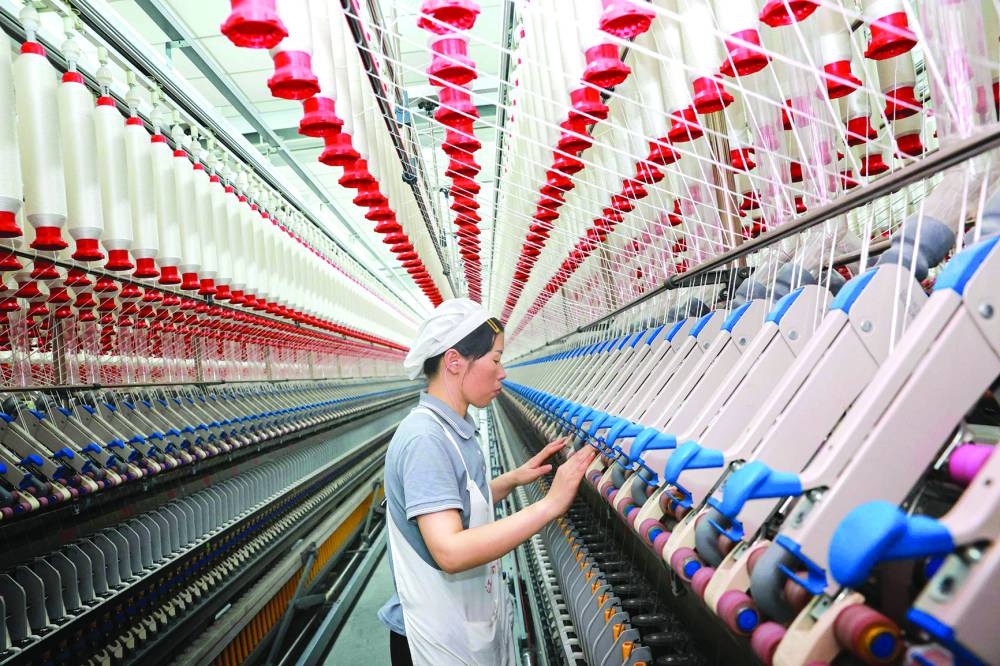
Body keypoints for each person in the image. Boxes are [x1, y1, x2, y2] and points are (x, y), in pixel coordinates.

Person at [377, 298, 597, 665]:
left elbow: (456, 502)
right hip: (428, 641)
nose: (503, 372)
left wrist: (511, 479)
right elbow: (450, 551)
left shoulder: (452, 429)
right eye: (495, 359)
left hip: (457, 626)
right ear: (454, 361)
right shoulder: (425, 440)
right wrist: (549, 504)